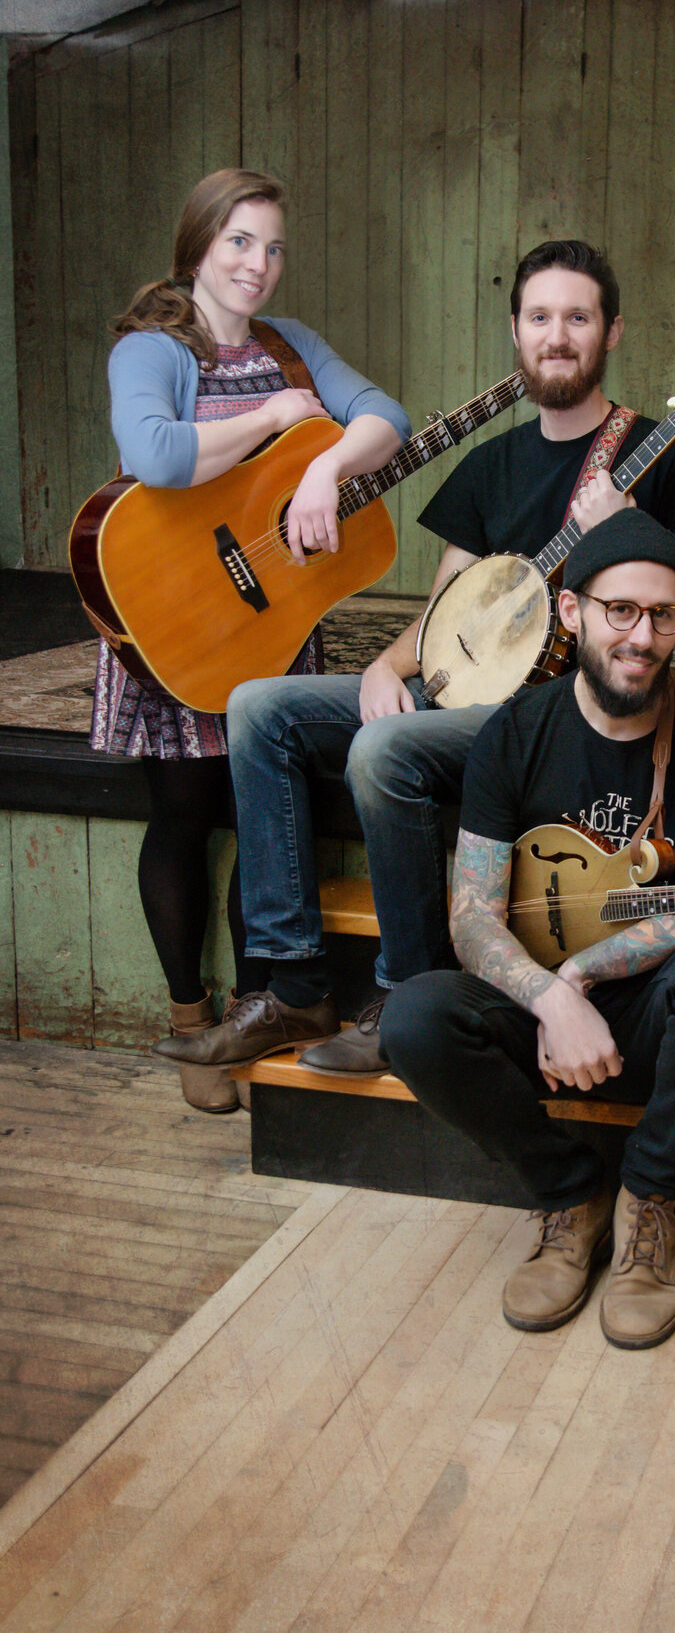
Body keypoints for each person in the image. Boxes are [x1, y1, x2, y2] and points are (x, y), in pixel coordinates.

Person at [175, 239, 675, 1078]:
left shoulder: (661, 458)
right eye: (540, 317)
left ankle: (406, 993)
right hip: (467, 692)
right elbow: (445, 619)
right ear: (516, 330)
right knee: (260, 705)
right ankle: (294, 981)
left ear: (611, 332)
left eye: (577, 317)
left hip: (549, 719)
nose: (557, 335)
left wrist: (621, 530)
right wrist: (383, 668)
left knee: (382, 748)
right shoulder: (491, 465)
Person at [380, 510, 675, 1349]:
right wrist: (549, 998)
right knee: (412, 1018)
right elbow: (471, 917)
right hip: (546, 1017)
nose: (642, 635)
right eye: (620, 610)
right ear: (573, 612)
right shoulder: (514, 734)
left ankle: (648, 1204)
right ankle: (568, 1196)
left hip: (661, 1007)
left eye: (663, 613)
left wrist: (586, 973)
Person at [98, 167, 409, 1111]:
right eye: (240, 241)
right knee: (186, 816)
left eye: (273, 247)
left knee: (261, 821)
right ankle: (191, 1022)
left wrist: (326, 474)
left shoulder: (292, 345)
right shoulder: (153, 348)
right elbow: (153, 453)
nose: (258, 264)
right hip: (178, 615)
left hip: (268, 620)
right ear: (197, 244)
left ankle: (251, 1007)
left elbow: (386, 419)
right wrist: (276, 418)